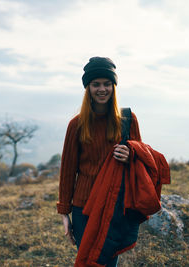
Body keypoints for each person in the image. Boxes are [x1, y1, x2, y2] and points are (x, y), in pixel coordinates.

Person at [57, 56, 143, 266]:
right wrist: (64, 213)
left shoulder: (128, 121)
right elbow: (68, 171)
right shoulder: (76, 125)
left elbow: (141, 163)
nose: (102, 89)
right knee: (87, 260)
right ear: (88, 88)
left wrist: (131, 155)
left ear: (114, 86)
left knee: (108, 262)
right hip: (83, 208)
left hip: (114, 206)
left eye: (107, 84)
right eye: (96, 84)